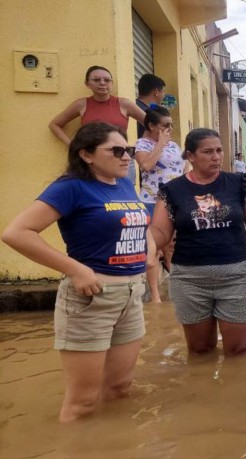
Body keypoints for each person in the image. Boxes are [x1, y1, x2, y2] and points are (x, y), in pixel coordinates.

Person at [2, 122, 152, 422]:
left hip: (131, 295)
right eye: (116, 150)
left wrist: (148, 249)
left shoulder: (122, 181)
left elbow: (138, 218)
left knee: (121, 389)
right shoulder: (70, 187)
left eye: (129, 150)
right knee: (82, 403)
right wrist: (76, 269)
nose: (126, 157)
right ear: (86, 155)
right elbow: (16, 233)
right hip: (91, 298)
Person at [150, 128, 246, 356]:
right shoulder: (172, 191)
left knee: (241, 350)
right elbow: (160, 231)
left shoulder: (239, 184)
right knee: (200, 349)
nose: (216, 157)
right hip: (189, 280)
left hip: (236, 276)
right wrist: (146, 243)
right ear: (190, 156)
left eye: (219, 150)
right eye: (208, 152)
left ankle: (237, 391)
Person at [134, 106, 184, 303]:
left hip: (174, 202)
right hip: (152, 201)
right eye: (164, 126)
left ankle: (177, 287)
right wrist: (160, 145)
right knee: (152, 248)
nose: (169, 129)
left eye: (171, 125)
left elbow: (182, 168)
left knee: (171, 246)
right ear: (151, 125)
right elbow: (145, 166)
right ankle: (155, 296)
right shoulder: (142, 144)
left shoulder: (174, 145)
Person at [135, 73, 166, 139]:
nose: (164, 95)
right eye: (163, 91)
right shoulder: (150, 114)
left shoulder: (132, 106)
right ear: (156, 92)